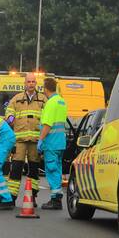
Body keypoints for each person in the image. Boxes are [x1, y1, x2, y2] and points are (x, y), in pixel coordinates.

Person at [5, 73, 48, 202]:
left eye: (33, 82)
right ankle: (12, 197)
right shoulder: (17, 98)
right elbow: (9, 111)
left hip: (35, 140)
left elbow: (47, 117)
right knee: (16, 167)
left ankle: (32, 196)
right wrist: (10, 118)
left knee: (34, 169)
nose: (30, 84)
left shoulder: (42, 99)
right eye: (28, 82)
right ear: (25, 83)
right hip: (20, 140)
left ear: (36, 84)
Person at [37, 77, 67, 210]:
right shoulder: (61, 101)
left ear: (45, 89)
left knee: (51, 169)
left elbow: (47, 125)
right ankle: (57, 197)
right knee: (57, 170)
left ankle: (56, 200)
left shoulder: (51, 103)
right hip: (60, 142)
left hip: (51, 143)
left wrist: (41, 140)